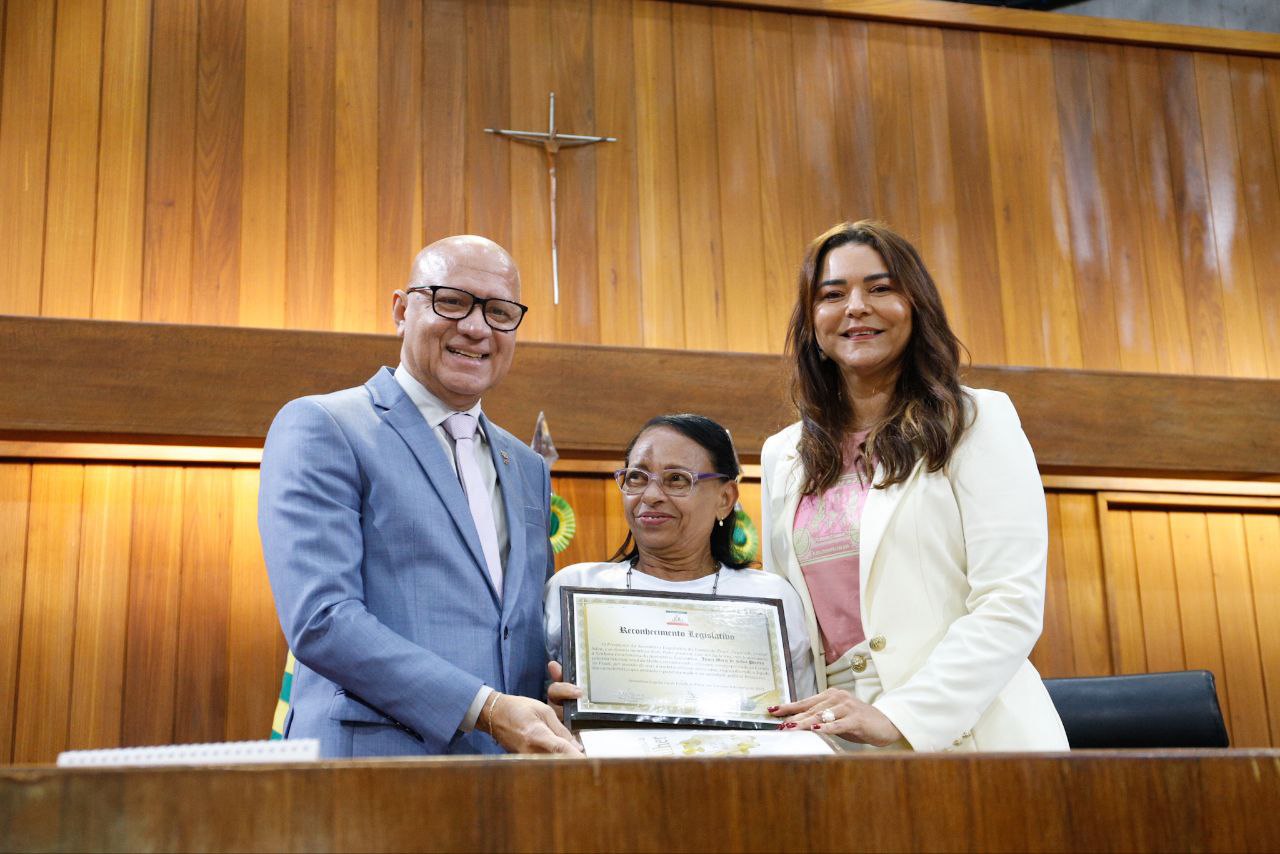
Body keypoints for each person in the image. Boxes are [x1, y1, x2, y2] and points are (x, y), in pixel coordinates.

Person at [259, 235, 580, 757]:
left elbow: (516, 633)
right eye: (452, 301)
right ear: (401, 310)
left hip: (507, 783)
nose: (476, 328)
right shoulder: (324, 425)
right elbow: (322, 619)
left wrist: (563, 694)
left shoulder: (526, 466)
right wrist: (488, 710)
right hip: (372, 773)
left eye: (500, 312)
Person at [761, 221, 1068, 752]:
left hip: (971, 731)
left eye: (880, 288)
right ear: (812, 322)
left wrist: (900, 716)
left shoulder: (977, 420)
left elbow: (1008, 601)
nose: (855, 306)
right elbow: (783, 621)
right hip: (835, 738)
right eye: (832, 294)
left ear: (916, 306)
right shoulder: (783, 454)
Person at [545, 414, 817, 712]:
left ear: (725, 499)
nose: (650, 495)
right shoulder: (575, 585)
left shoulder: (770, 596)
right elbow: (531, 706)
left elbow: (799, 719)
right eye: (636, 476)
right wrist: (552, 710)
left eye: (676, 479)